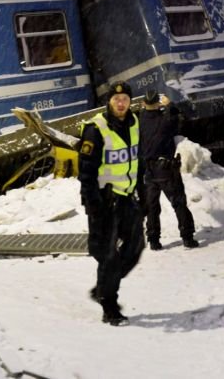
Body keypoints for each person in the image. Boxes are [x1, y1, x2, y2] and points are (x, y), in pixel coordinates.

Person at [78, 81, 145, 326]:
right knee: (108, 256)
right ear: (109, 101)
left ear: (130, 102)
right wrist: (93, 206)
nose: (121, 103)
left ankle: (102, 289)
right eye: (117, 99)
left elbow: (139, 162)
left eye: (125, 99)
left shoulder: (135, 123)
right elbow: (86, 172)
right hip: (104, 202)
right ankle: (109, 306)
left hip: (127, 198)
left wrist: (143, 195)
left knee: (135, 249)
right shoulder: (96, 128)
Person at [138, 90, 199, 251]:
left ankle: (153, 240)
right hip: (166, 170)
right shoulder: (166, 120)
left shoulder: (141, 119)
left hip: (149, 171)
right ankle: (187, 237)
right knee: (178, 203)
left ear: (144, 104)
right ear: (158, 104)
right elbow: (178, 116)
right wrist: (169, 104)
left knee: (152, 207)